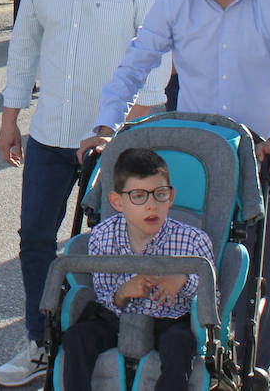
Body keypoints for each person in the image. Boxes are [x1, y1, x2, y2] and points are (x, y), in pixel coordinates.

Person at [83, 0, 270, 370]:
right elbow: (134, 66)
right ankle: (201, 367)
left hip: (264, 161)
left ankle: (256, 369)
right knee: (197, 277)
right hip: (198, 169)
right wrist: (106, 128)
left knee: (259, 281)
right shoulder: (173, 2)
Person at [0, 0, 167, 387]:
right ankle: (39, 340)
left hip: (114, 141)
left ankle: (116, 344)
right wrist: (10, 119)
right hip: (50, 135)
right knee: (36, 241)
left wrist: (128, 126)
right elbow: (23, 49)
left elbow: (156, 56)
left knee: (116, 246)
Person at [56, 150, 213, 391]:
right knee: (77, 338)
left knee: (180, 344)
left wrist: (183, 279)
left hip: (171, 318)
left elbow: (213, 302)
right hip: (116, 317)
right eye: (139, 196)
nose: (152, 205)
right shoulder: (103, 236)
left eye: (160, 195)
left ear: (171, 196)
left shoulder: (193, 239)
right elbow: (102, 293)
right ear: (118, 202)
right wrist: (123, 292)